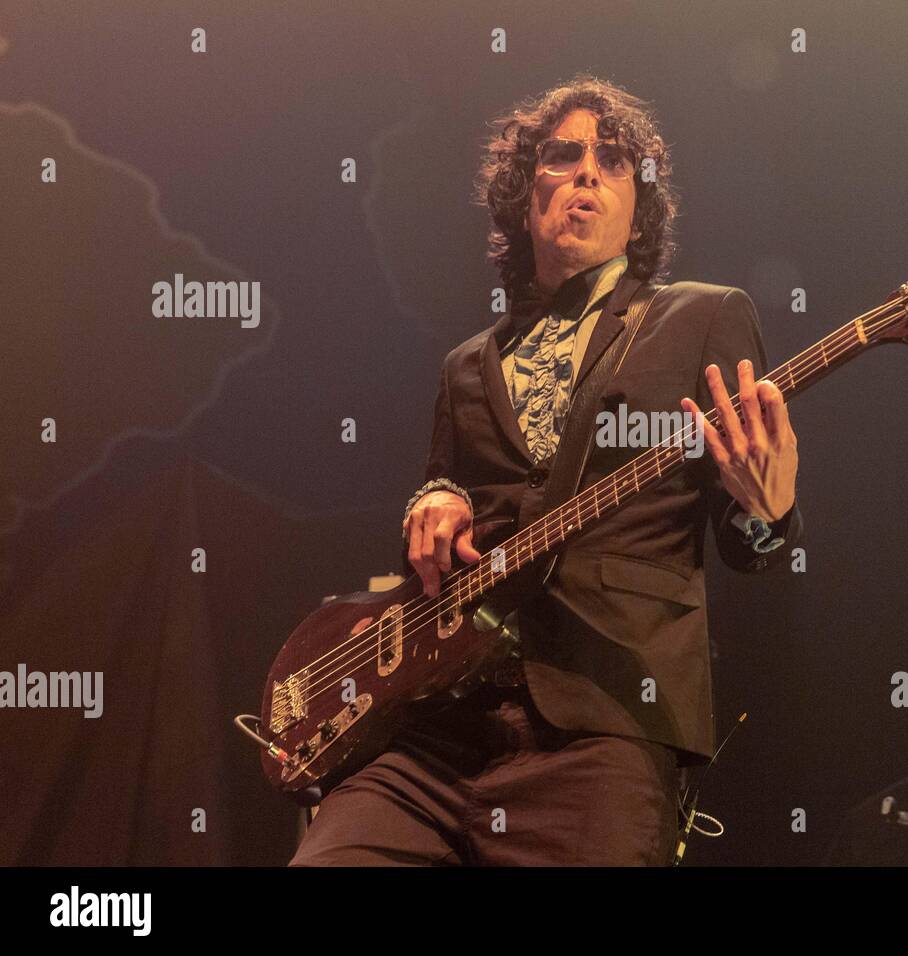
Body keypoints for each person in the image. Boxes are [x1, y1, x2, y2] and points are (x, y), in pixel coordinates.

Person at [289, 73, 802, 866]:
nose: (589, 170)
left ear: (641, 208)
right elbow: (437, 530)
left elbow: (749, 542)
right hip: (431, 736)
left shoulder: (703, 317)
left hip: (597, 733)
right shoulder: (466, 365)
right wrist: (431, 508)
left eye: (616, 159)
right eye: (563, 155)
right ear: (525, 198)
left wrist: (767, 514)